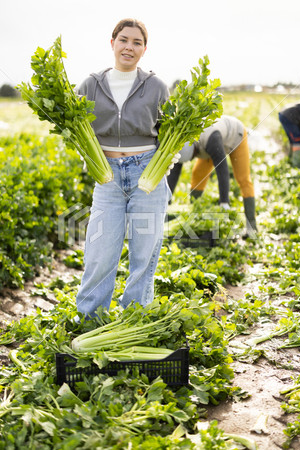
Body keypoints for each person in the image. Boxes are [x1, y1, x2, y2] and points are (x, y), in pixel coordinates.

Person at [75, 18, 172, 319]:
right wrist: (88, 158)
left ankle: (135, 318)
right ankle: (91, 319)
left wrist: (164, 165)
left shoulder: (156, 86)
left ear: (144, 49)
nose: (129, 47)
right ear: (113, 42)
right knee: (100, 252)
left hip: (148, 173)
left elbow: (172, 131)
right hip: (108, 176)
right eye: (124, 40)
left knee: (144, 254)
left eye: (137, 42)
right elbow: (72, 125)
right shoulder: (91, 84)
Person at [167, 115, 257, 238]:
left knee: (243, 179)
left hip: (236, 137)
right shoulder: (184, 144)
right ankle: (194, 212)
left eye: (194, 156)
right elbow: (174, 171)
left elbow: (222, 170)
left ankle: (252, 229)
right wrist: (167, 198)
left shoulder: (211, 140)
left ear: (195, 149)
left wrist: (224, 201)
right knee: (198, 175)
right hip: (212, 144)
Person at [278, 103, 300, 168]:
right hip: (290, 116)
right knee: (297, 141)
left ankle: (290, 159)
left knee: (293, 140)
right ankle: (297, 166)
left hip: (284, 113)